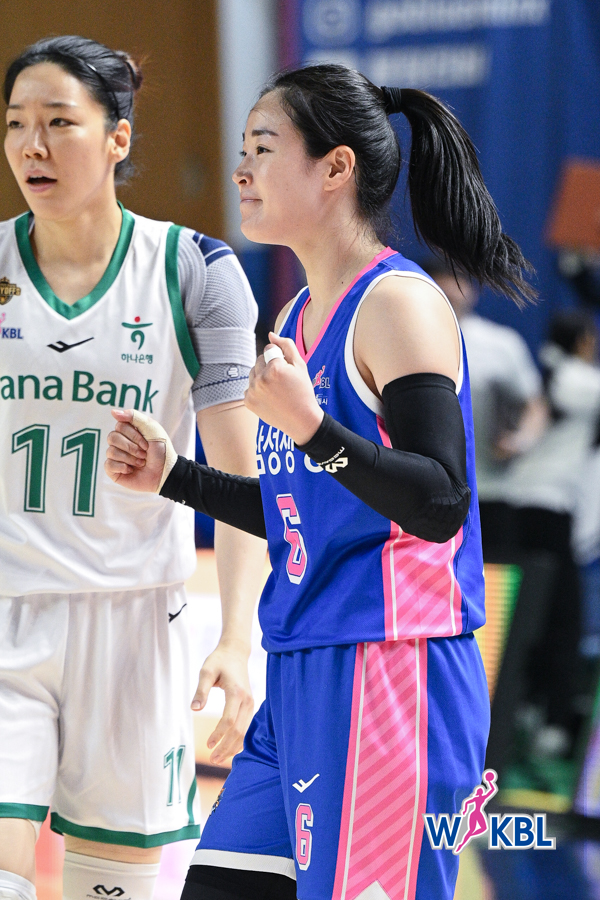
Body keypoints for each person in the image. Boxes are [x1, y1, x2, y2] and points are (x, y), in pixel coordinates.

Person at [106, 65, 534, 900]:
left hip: (392, 672)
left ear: (336, 168)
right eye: (241, 150)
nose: (240, 170)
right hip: (303, 669)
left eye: (262, 148)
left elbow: (440, 503)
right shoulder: (297, 318)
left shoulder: (399, 304)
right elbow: (302, 510)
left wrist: (312, 429)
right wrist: (174, 477)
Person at [0, 35, 265, 900]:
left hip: (136, 626)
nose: (31, 146)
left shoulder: (195, 272)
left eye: (58, 123)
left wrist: (238, 639)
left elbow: (243, 484)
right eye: (15, 124)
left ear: (117, 137)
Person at [506, 311, 600, 755]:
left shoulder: (548, 377)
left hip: (523, 508)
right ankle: (550, 723)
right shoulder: (575, 379)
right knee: (562, 617)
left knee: (533, 613)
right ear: (582, 341)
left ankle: (526, 708)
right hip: (545, 510)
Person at [423, 261, 547, 557]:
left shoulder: (500, 344)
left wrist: (520, 440)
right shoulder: (402, 338)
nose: (451, 292)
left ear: (471, 290)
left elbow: (534, 404)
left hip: (490, 492)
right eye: (442, 283)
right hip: (425, 494)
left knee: (495, 579)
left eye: (458, 282)